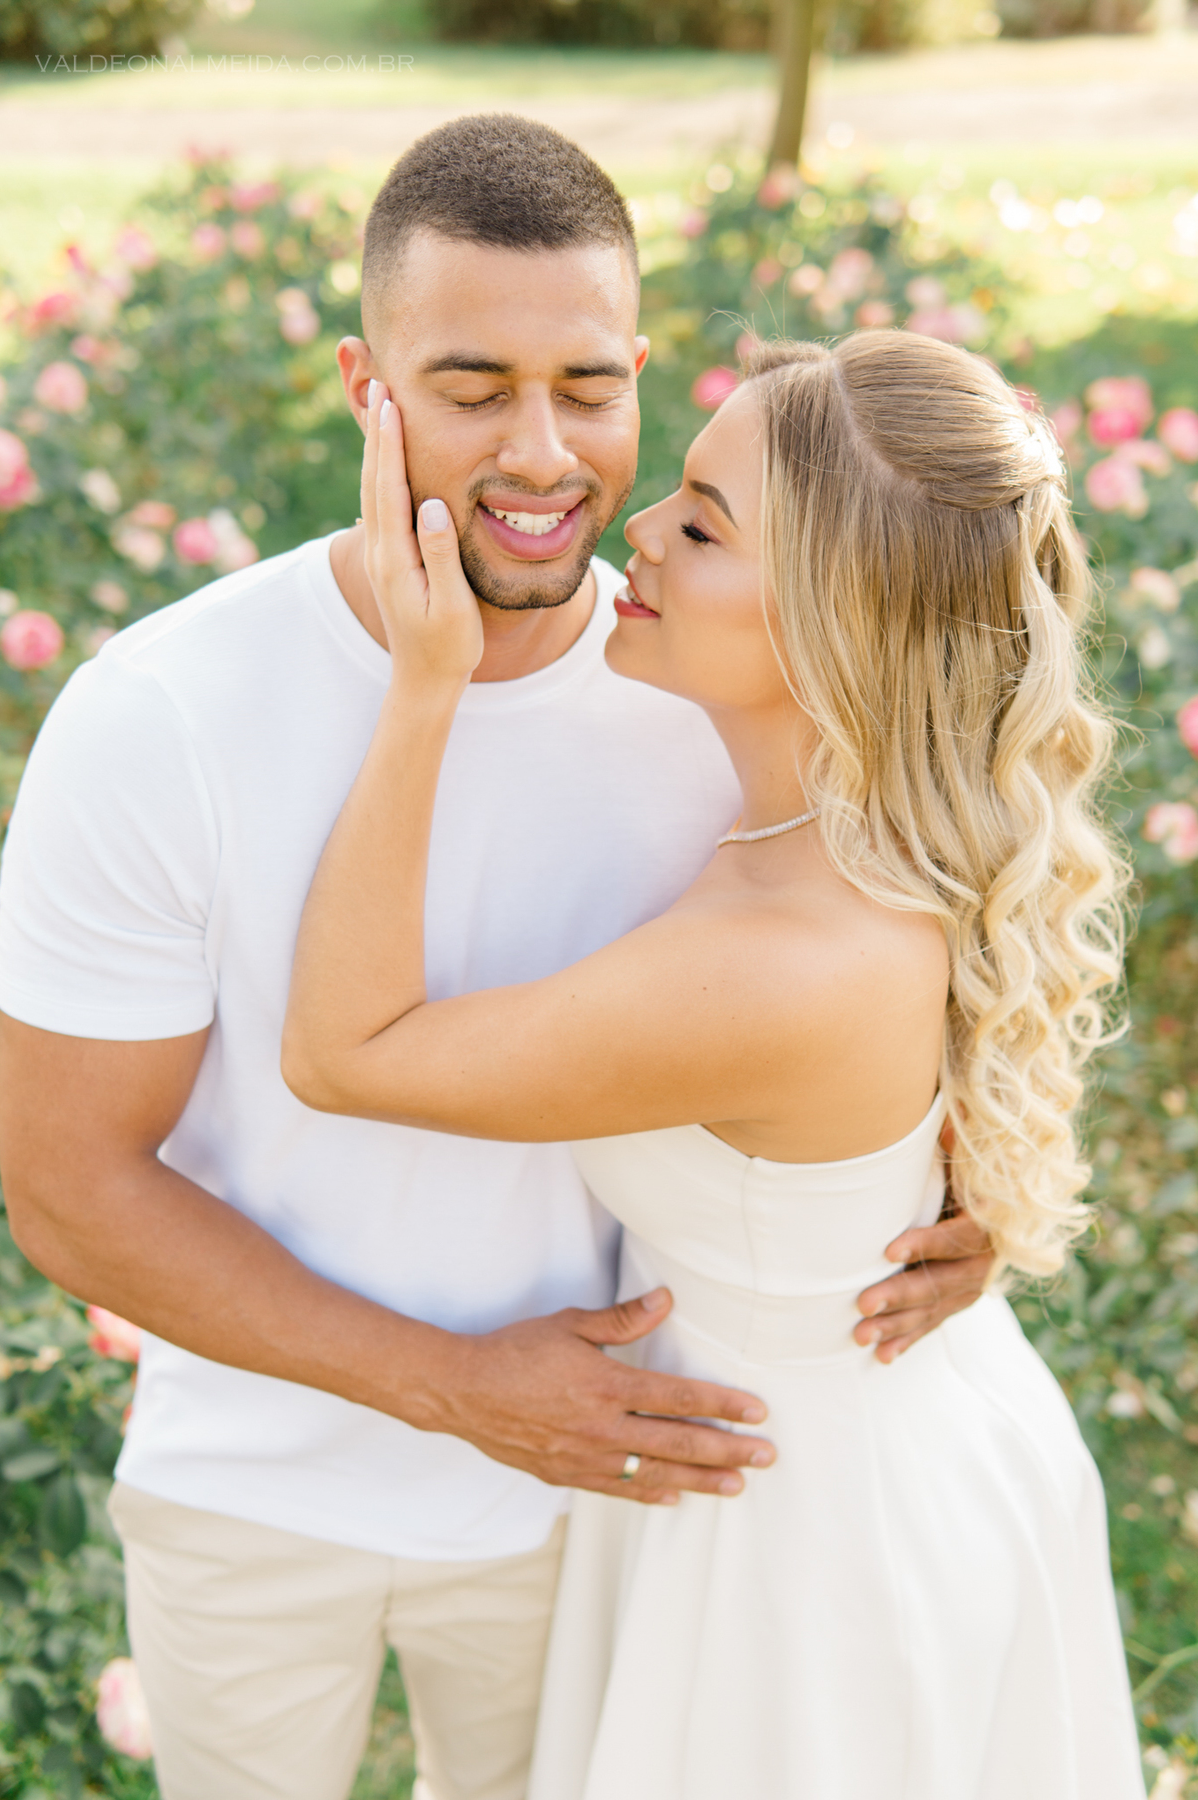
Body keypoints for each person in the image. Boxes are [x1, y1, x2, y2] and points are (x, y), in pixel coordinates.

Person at [0, 119, 991, 1800]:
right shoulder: (161, 711)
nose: (543, 453)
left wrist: (954, 1217)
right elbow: (67, 1186)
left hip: (605, 1500)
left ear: (641, 377)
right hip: (251, 1490)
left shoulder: (710, 694)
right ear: (364, 384)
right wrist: (453, 1392)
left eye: (588, 386)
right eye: (471, 387)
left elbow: (872, 982)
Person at [281, 329, 1145, 1800]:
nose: (641, 531)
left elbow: (344, 1052)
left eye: (704, 522)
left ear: (837, 613)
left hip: (809, 1526)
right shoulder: (878, 819)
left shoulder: (775, 959)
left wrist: (426, 682)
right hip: (854, 1425)